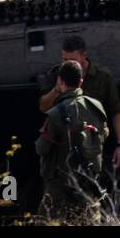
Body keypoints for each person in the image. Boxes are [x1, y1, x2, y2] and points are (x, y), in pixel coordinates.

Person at [39, 35, 120, 170]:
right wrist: (56, 90)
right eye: (64, 59)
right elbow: (43, 107)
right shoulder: (57, 74)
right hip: (64, 147)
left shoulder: (102, 77)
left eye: (72, 60)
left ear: (84, 55)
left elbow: (116, 111)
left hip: (94, 145)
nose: (67, 64)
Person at [35, 59, 109, 216]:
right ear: (81, 82)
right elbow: (103, 135)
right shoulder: (96, 106)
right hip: (88, 180)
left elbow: (41, 149)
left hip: (60, 185)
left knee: (46, 219)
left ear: (60, 81)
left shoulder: (55, 113)